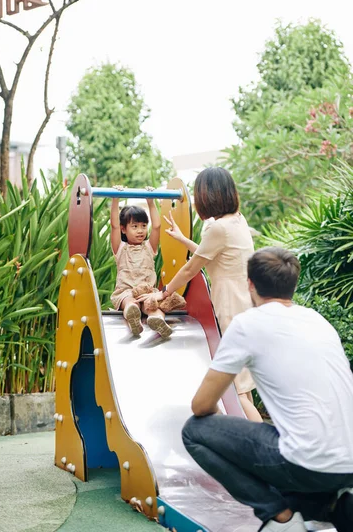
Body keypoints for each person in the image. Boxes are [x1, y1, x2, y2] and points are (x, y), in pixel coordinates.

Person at [182, 247, 353, 532]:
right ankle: (332, 506)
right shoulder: (317, 321)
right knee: (295, 446)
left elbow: (201, 406)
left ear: (250, 284)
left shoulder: (248, 324)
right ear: (293, 284)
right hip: (348, 464)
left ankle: (279, 517)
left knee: (195, 431)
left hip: (308, 464)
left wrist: (224, 430)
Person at [136, 167, 262, 422]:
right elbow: (213, 255)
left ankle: (267, 450)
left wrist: (163, 294)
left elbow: (192, 268)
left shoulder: (218, 229)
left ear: (208, 197)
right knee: (242, 386)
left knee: (237, 388)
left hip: (229, 307)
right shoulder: (237, 220)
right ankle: (261, 445)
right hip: (245, 303)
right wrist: (183, 239)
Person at [110, 187, 175, 338]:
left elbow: (157, 226)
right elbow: (113, 225)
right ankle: (133, 316)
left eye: (143, 226)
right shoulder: (120, 248)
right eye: (134, 226)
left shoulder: (149, 246)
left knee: (153, 306)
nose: (140, 230)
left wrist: (150, 202)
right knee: (130, 302)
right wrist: (115, 199)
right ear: (123, 229)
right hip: (127, 292)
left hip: (147, 293)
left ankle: (157, 320)